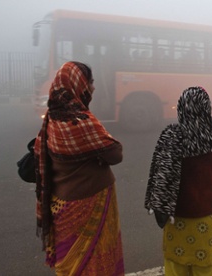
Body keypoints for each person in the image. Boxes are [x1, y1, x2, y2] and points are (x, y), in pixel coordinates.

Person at [34, 61, 125, 275]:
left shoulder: (50, 120)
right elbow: (115, 154)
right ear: (78, 85)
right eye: (89, 82)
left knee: (71, 262)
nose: (93, 88)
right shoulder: (81, 121)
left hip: (61, 205)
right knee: (96, 261)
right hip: (90, 201)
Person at [145, 86, 212, 276]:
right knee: (204, 269)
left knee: (175, 268)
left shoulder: (171, 137)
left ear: (181, 107)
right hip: (205, 219)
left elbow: (159, 176)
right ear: (207, 107)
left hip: (176, 219)